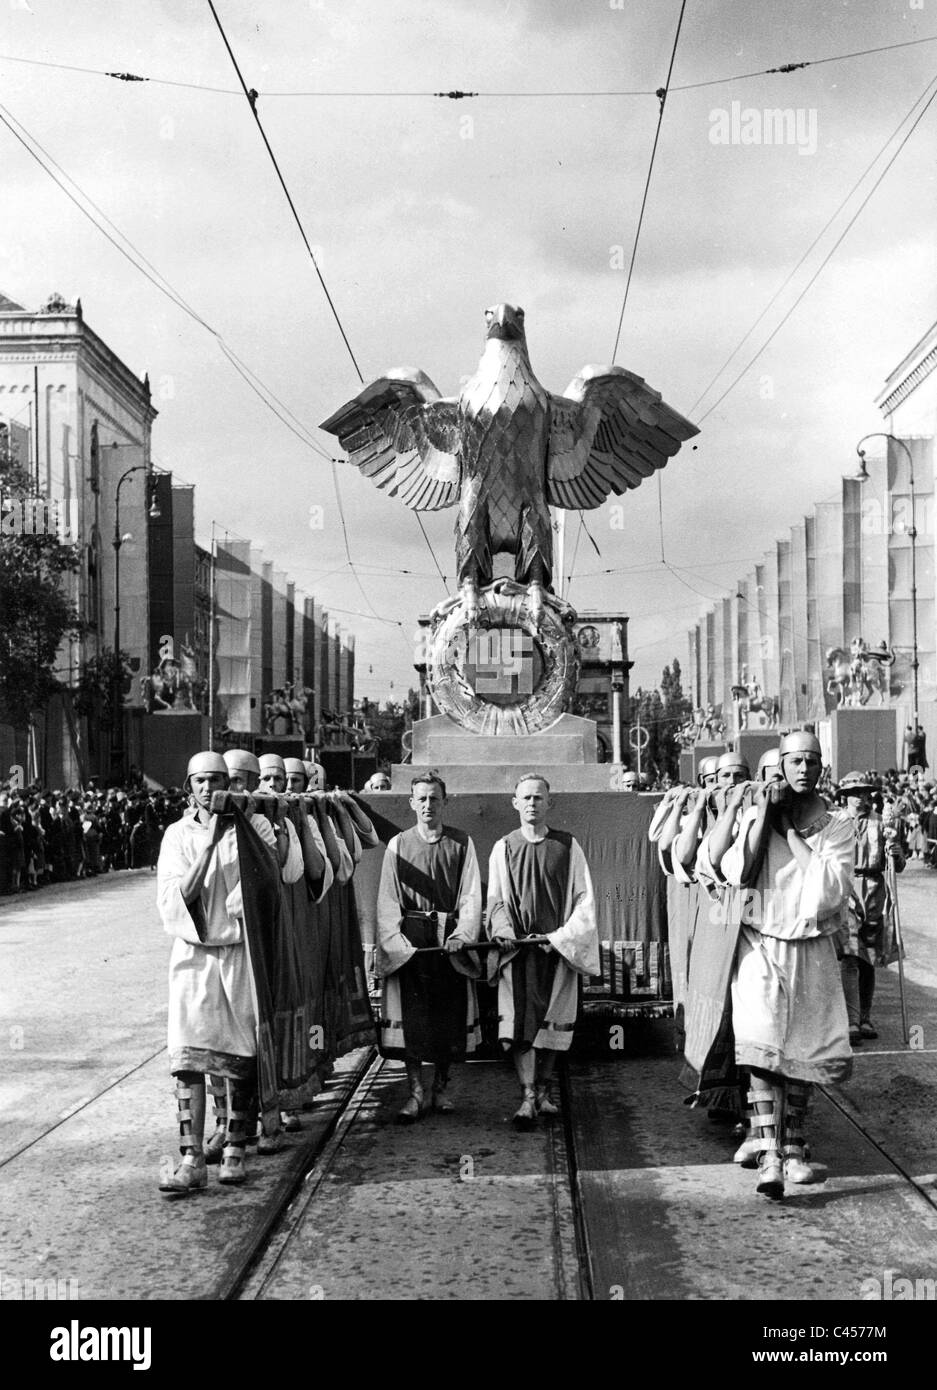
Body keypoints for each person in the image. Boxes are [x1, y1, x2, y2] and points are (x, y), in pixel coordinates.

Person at [721, 731, 854, 1199]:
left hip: (811, 945)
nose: (801, 770)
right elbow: (737, 872)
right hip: (760, 940)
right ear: (779, 768)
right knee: (760, 1041)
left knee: (804, 1045)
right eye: (792, 762)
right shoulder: (756, 813)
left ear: (821, 768)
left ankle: (795, 1145)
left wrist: (791, 832)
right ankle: (770, 1152)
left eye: (809, 762)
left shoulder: (838, 825)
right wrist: (763, 818)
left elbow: (828, 893)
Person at [156, 750, 280, 1195]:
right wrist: (208, 844)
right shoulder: (177, 835)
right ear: (189, 786)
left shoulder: (256, 826)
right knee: (187, 1053)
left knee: (239, 1051)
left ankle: (234, 1148)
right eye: (200, 781)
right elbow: (174, 898)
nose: (209, 789)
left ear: (231, 783)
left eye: (217, 780)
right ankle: (191, 1158)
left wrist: (234, 829)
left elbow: (267, 889)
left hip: (240, 952)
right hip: (193, 955)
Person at [487, 774, 599, 1126]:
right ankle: (527, 1096)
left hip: (555, 950)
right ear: (515, 803)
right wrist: (504, 931)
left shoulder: (568, 846)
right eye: (526, 798)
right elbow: (495, 900)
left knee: (553, 1025)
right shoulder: (504, 847)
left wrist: (562, 938)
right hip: (519, 952)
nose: (532, 803)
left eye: (539, 798)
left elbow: (584, 899)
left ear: (549, 803)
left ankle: (545, 1091)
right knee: (522, 1026)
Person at [375, 772, 483, 1121]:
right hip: (414, 941)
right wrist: (397, 943)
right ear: (411, 803)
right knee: (413, 1019)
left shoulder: (462, 843)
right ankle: (415, 1092)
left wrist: (462, 935)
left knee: (447, 1017)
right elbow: (388, 899)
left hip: (448, 941)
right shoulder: (399, 845)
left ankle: (441, 1089)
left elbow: (470, 896)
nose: (427, 805)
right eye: (421, 798)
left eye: (434, 798)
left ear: (445, 802)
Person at [835, 770, 905, 1044]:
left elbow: (896, 866)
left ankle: (865, 1016)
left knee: (869, 959)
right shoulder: (836, 822)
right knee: (850, 954)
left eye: (864, 793)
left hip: (874, 890)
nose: (860, 798)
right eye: (855, 793)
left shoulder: (881, 823)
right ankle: (851, 1020)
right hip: (846, 889)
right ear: (846, 797)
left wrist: (896, 854)